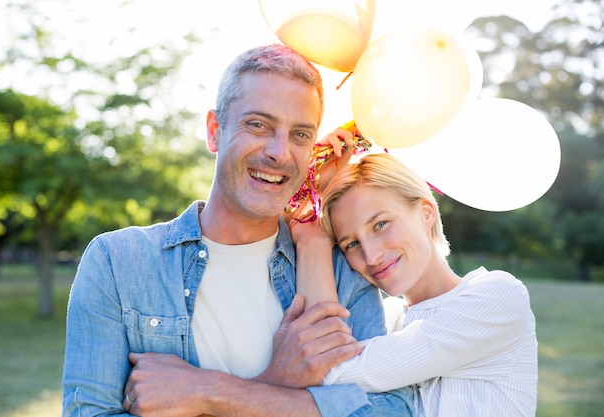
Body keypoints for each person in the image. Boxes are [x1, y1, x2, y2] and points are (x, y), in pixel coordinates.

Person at [61, 44, 414, 417]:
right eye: (258, 125)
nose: (279, 152)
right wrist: (278, 385)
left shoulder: (340, 271)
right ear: (215, 131)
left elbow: (391, 410)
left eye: (299, 135)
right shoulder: (119, 262)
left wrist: (210, 393)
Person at [291, 152, 538, 416]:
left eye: (380, 224)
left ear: (426, 212)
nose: (371, 256)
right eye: (351, 244)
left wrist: (311, 242)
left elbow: (324, 367)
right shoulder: (387, 318)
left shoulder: (496, 297)